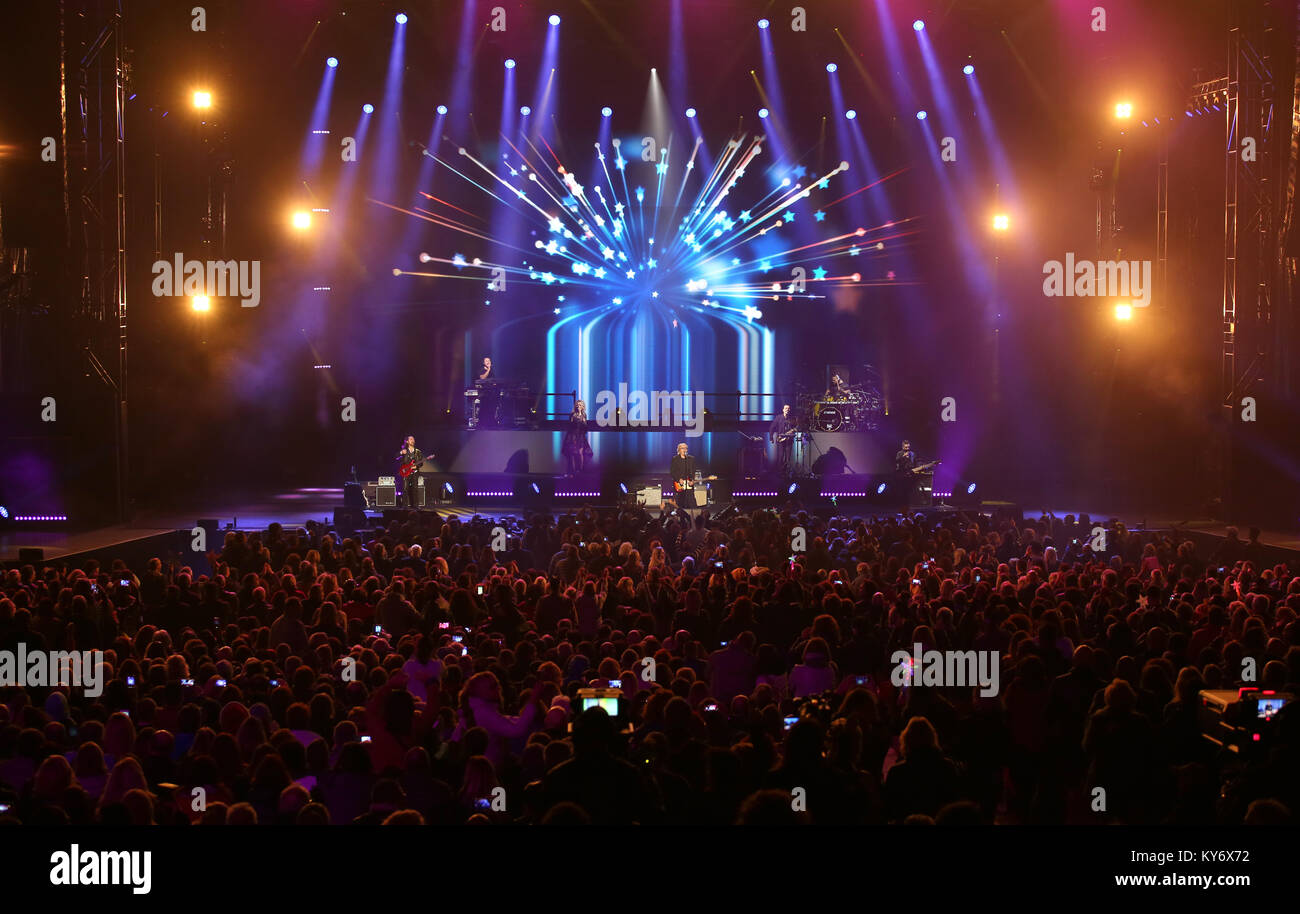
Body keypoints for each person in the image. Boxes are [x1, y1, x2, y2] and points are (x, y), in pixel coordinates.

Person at [562, 400, 593, 475]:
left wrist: (583, 420)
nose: (579, 406)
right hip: (573, 435)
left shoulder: (584, 415)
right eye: (578, 405)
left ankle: (580, 470)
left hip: (580, 435)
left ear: (583, 406)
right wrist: (573, 418)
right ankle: (572, 470)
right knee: (572, 453)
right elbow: (570, 425)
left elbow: (585, 426)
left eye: (580, 405)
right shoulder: (572, 414)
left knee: (580, 453)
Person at [396, 436, 426, 509]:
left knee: (415, 489)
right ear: (407, 441)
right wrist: (400, 452)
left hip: (415, 472)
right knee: (405, 489)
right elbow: (396, 457)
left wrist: (417, 466)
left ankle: (415, 505)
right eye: (411, 439)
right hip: (406, 472)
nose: (413, 440)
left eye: (413, 439)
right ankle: (405, 505)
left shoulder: (418, 452)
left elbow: (421, 462)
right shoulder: (404, 450)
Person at [669, 442, 698, 515]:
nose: (685, 450)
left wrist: (692, 480)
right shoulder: (675, 459)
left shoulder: (691, 459)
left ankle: (694, 515)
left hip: (689, 483)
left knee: (691, 499)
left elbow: (693, 471)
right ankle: (678, 514)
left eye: (686, 448)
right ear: (679, 450)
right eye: (682, 448)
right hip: (679, 483)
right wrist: (679, 479)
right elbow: (672, 471)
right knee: (679, 499)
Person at [769, 404, 796, 474]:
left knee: (788, 459)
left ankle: (786, 473)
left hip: (789, 441)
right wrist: (771, 437)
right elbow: (772, 427)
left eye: (788, 408)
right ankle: (779, 473)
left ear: (789, 410)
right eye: (786, 408)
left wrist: (793, 430)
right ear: (783, 410)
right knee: (780, 457)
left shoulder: (792, 418)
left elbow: (795, 428)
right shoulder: (778, 417)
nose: (787, 409)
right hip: (780, 440)